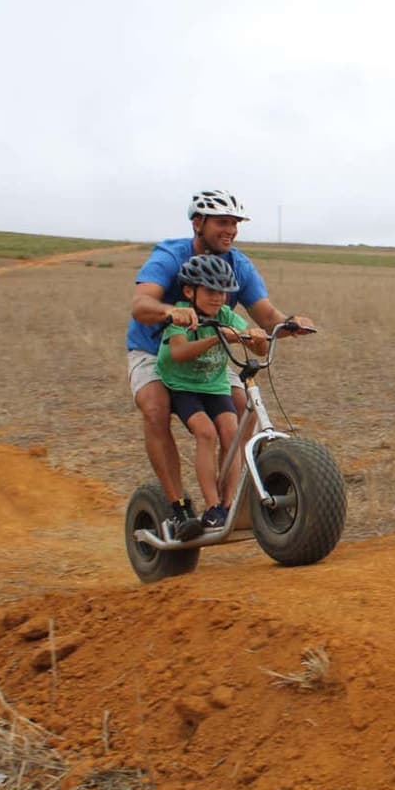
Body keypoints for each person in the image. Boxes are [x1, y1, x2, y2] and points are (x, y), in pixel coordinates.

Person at [126, 189, 315, 538]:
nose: (230, 230)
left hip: (209, 354)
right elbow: (140, 304)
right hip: (156, 349)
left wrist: (289, 325)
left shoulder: (237, 264)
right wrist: (172, 312)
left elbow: (266, 318)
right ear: (198, 223)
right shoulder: (171, 255)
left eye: (234, 223)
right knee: (155, 408)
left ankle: (224, 505)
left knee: (244, 410)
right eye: (222, 223)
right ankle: (178, 507)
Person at [157, 254, 268, 540]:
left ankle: (229, 503)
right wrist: (219, 337)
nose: (218, 298)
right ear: (189, 291)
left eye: (223, 292)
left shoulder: (226, 316)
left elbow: (258, 350)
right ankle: (212, 506)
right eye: (210, 291)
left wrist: (256, 338)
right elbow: (178, 353)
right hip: (182, 385)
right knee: (205, 433)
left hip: (215, 385)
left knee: (232, 432)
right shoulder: (181, 314)